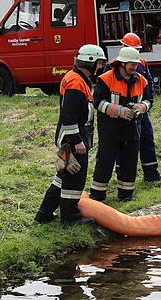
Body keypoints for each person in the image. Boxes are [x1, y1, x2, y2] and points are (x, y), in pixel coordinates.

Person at [35, 45, 106, 225]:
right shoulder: (76, 82)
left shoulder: (77, 78)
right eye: (98, 63)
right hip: (73, 138)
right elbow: (69, 116)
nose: (100, 67)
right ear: (89, 62)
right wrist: (77, 142)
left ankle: (44, 214)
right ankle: (70, 218)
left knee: (63, 176)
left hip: (71, 136)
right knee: (75, 178)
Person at [104, 33, 161, 182]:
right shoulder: (112, 65)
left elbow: (149, 87)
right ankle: (122, 176)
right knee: (123, 144)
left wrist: (145, 105)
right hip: (121, 114)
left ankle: (151, 174)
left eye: (137, 50)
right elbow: (105, 90)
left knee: (147, 138)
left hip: (140, 111)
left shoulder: (142, 63)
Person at [89, 46, 152, 202]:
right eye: (132, 64)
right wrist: (119, 110)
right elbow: (98, 102)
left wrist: (141, 107)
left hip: (132, 129)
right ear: (122, 63)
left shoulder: (141, 80)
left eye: (136, 64)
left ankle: (126, 195)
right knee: (105, 162)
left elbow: (149, 100)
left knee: (130, 163)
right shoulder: (105, 79)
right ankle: (97, 195)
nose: (135, 67)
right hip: (110, 130)